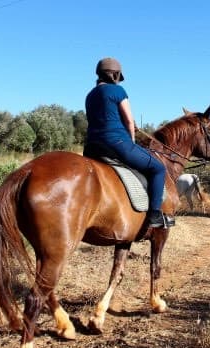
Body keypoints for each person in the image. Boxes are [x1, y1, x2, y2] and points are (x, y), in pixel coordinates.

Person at [84, 57, 168, 228]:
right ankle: (154, 215)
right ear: (115, 75)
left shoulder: (90, 95)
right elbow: (129, 121)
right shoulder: (118, 91)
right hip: (116, 144)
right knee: (158, 168)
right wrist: (132, 141)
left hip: (92, 146)